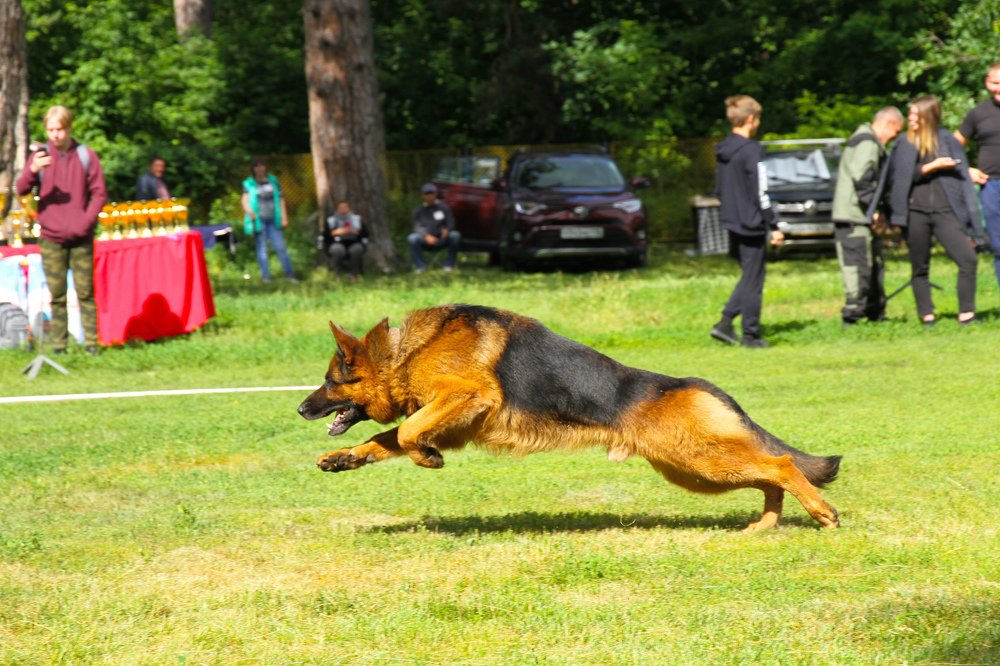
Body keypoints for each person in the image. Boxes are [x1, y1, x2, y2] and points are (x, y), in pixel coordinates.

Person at [15, 105, 107, 355]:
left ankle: (91, 344)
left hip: (81, 236)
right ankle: (59, 346)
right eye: (51, 129)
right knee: (57, 295)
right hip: (51, 237)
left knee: (86, 292)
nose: (55, 134)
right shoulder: (40, 156)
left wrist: (85, 222)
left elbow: (99, 193)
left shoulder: (87, 156)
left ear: (69, 128)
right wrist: (33, 170)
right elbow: (21, 189)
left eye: (59, 129)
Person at [887, 95, 982, 326]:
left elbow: (961, 179)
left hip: (945, 211)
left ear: (928, 115)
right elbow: (898, 179)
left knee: (967, 259)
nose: (910, 118)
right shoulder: (904, 143)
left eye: (915, 114)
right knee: (920, 265)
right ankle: (927, 315)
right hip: (915, 212)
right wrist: (932, 166)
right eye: (910, 114)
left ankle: (967, 314)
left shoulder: (947, 140)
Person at [710, 95, 784, 349]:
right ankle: (750, 335)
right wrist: (773, 224)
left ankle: (725, 324)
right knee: (754, 280)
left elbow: (719, 189)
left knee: (748, 275)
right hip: (752, 222)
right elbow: (760, 190)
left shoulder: (723, 150)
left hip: (731, 220)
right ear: (751, 118)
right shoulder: (751, 149)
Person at [831, 107, 905, 325]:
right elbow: (862, 177)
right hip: (853, 216)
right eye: (896, 131)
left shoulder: (864, 139)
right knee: (858, 266)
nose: (894, 138)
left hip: (858, 216)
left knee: (873, 264)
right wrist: (872, 210)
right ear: (889, 124)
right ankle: (852, 316)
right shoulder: (867, 142)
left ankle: (874, 313)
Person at [954, 60, 1000, 289]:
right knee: (999, 246)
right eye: (994, 83)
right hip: (992, 187)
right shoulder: (978, 114)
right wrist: (965, 169)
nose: (998, 88)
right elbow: (951, 145)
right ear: (986, 83)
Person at [242, 160, 297, 283]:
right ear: (253, 169)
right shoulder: (249, 183)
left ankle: (290, 274)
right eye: (257, 166)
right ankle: (266, 276)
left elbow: (281, 199)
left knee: (280, 247)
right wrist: (250, 212)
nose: (260, 168)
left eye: (262, 165)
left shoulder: (273, 181)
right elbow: (244, 200)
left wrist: (284, 217)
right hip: (259, 220)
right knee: (262, 248)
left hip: (274, 219)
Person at [408, 183, 460, 273]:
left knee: (455, 235)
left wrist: (447, 230)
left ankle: (448, 265)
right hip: (425, 240)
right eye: (427, 193)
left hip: (442, 239)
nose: (429, 196)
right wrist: (426, 236)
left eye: (431, 193)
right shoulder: (418, 211)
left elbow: (450, 222)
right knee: (412, 238)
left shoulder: (444, 208)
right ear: (422, 196)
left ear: (436, 194)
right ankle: (421, 266)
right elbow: (416, 226)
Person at [324, 199, 366, 280]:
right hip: (336, 243)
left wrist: (355, 232)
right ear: (337, 209)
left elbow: (365, 233)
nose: (343, 209)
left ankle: (354, 275)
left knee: (357, 250)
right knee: (338, 250)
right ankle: (337, 275)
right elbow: (326, 234)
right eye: (341, 207)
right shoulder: (331, 220)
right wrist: (338, 232)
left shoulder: (356, 219)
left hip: (353, 242)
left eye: (345, 207)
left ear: (349, 208)